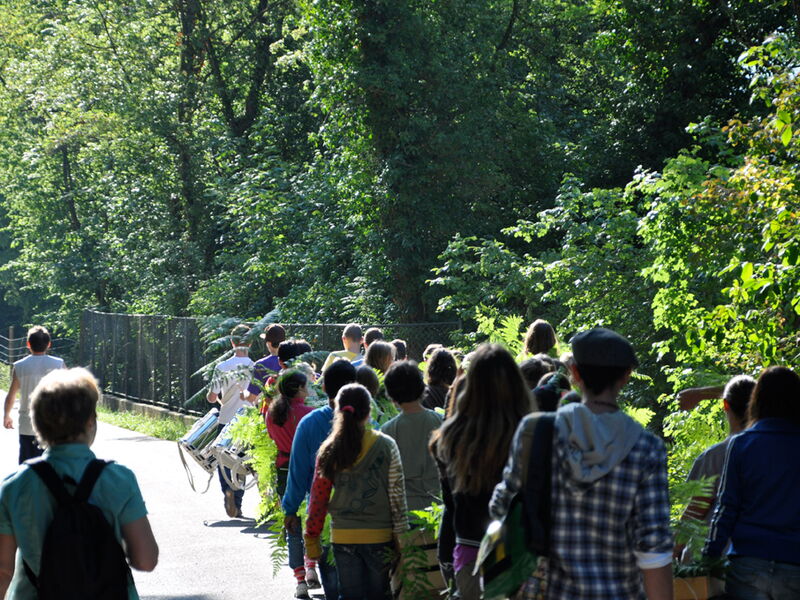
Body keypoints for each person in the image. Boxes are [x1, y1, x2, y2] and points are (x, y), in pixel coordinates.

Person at [0, 367, 158, 598]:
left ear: (36, 424)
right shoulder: (119, 479)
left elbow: (3, 571)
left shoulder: (14, 486)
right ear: (90, 421)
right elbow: (146, 560)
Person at [542, 328, 672, 599]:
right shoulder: (646, 448)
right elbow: (653, 549)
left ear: (575, 373)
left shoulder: (540, 438)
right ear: (626, 376)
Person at [430, 344, 532, 599]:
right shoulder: (529, 432)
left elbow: (450, 502)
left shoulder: (451, 438)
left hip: (469, 552)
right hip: (520, 553)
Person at [703, 366, 800, 600]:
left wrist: (709, 555)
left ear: (757, 400)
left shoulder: (742, 444)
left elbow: (726, 507)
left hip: (747, 564)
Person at [304, 384, 408, 600]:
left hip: (343, 536)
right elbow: (396, 494)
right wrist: (402, 535)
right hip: (380, 536)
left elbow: (318, 498)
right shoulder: (386, 445)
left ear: (338, 410)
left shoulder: (329, 449)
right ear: (369, 411)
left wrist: (312, 537)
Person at [282, 359, 358, 600]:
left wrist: (290, 509)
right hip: (365, 518)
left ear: (324, 387)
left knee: (333, 588)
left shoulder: (309, 424)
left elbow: (298, 472)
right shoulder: (370, 422)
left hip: (324, 518)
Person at [674, 375, 755, 561]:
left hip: (713, 560)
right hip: (759, 556)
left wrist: (674, 549)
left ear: (726, 405)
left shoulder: (715, 456)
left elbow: (697, 509)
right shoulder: (775, 453)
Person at [266, 370, 317, 598]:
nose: (309, 389)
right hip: (308, 470)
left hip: (283, 468)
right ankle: (312, 566)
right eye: (306, 385)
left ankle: (300, 580)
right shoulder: (309, 414)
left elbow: (272, 437)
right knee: (314, 518)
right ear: (298, 388)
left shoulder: (272, 413)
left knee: (292, 524)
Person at [206, 324, 254, 518]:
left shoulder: (222, 367)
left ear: (232, 342)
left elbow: (212, 397)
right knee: (241, 462)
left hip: (226, 418)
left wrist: (216, 396)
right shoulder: (255, 367)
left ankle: (228, 492)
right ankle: (238, 502)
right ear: (250, 343)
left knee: (223, 461)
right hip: (247, 421)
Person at [381, 361, 443, 511]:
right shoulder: (441, 422)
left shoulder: (388, 430)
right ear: (421, 387)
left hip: (403, 509)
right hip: (438, 507)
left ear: (391, 395)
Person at [3, 326, 66, 463]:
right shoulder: (58, 364)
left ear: (28, 344)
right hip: (53, 424)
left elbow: (11, 395)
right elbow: (69, 393)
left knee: (27, 464)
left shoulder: (20, 366)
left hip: (27, 424)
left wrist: (7, 415)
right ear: (49, 344)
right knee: (52, 466)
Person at [245, 324, 286, 402]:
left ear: (269, 343)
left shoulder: (260, 365)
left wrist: (243, 393)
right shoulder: (292, 361)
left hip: (268, 407)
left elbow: (251, 397)